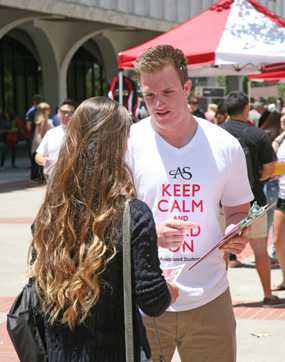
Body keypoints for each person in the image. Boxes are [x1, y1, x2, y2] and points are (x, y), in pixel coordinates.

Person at [126, 44, 253, 362]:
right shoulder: (127, 144)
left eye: (167, 92)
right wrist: (150, 231)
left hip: (210, 297)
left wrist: (237, 227)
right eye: (149, 95)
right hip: (145, 298)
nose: (158, 103)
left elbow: (238, 207)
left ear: (187, 88)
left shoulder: (225, 145)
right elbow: (106, 217)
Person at [28, 96, 177, 362]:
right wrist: (170, 292)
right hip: (116, 352)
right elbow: (153, 300)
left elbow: (38, 290)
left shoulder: (49, 213)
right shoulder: (133, 214)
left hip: (59, 353)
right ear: (116, 146)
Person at [221, 91, 285, 307]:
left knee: (222, 252)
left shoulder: (216, 133)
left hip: (221, 202)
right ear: (246, 108)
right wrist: (254, 178)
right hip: (253, 202)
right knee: (259, 249)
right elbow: (269, 169)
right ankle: (267, 295)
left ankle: (219, 299)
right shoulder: (257, 134)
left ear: (226, 111)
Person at [35, 98, 77, 176]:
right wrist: (43, 160)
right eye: (63, 112)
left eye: (70, 113)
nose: (66, 115)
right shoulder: (51, 133)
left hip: (73, 179)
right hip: (53, 179)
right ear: (58, 112)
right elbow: (38, 155)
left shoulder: (80, 133)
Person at [271, 105, 285, 291]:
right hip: (282, 196)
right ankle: (284, 278)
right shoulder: (281, 140)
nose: (283, 118)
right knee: (277, 241)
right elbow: (272, 154)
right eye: (282, 115)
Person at [31, 102, 53, 183]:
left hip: (36, 139)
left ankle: (36, 177)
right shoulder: (44, 119)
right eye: (48, 109)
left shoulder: (38, 118)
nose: (49, 110)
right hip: (41, 139)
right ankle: (40, 178)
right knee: (42, 156)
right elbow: (43, 132)